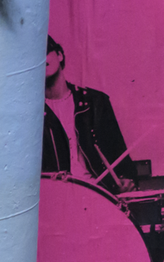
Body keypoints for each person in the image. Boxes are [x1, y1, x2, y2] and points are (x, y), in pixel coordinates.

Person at [43, 35, 136, 195]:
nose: (40, 59)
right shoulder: (29, 113)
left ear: (59, 54)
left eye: (44, 51)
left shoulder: (96, 102)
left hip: (99, 194)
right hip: (57, 198)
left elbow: (121, 159)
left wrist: (126, 181)